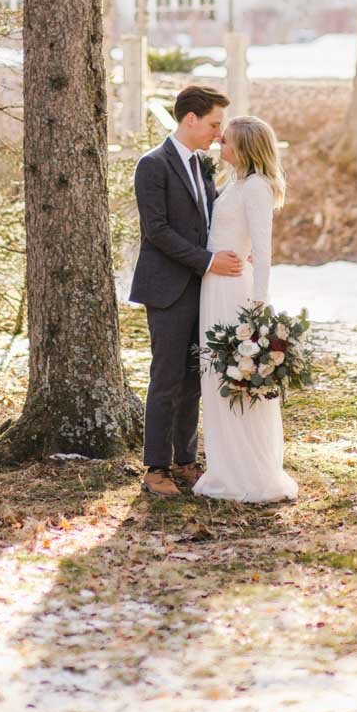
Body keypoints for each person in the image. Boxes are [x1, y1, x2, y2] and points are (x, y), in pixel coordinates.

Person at [129, 83, 243, 499]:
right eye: (214, 124)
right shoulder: (152, 165)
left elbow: (209, 224)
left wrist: (232, 254)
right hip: (167, 289)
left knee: (194, 379)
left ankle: (184, 460)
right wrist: (208, 261)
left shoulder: (202, 166)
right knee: (166, 378)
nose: (218, 133)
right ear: (190, 119)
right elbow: (156, 231)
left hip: (202, 289)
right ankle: (155, 468)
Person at [193, 114, 299, 504]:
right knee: (215, 380)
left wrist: (258, 306)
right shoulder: (234, 183)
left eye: (227, 142)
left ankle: (248, 472)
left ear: (245, 149)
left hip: (235, 290)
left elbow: (264, 251)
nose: (220, 145)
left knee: (235, 379)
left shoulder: (256, 187)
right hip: (213, 286)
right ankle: (225, 465)